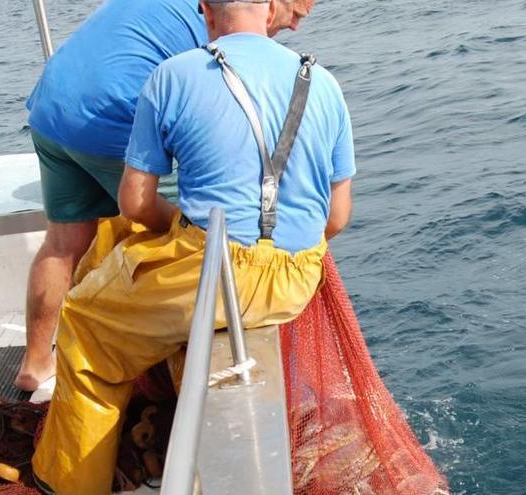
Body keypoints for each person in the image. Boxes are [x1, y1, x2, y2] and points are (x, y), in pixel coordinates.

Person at [31, 0, 353, 492]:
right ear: (269, 8)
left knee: (85, 328)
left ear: (205, 9)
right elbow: (336, 218)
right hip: (296, 278)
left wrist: (186, 224)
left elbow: (135, 205)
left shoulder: (172, 75)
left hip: (214, 269)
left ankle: (69, 483)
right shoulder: (324, 83)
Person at [17, 0, 315, 391]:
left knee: (61, 243)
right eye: (296, 14)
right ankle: (164, 384)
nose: (294, 27)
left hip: (51, 111)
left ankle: (36, 363)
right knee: (185, 239)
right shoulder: (218, 26)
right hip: (110, 117)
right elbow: (217, 113)